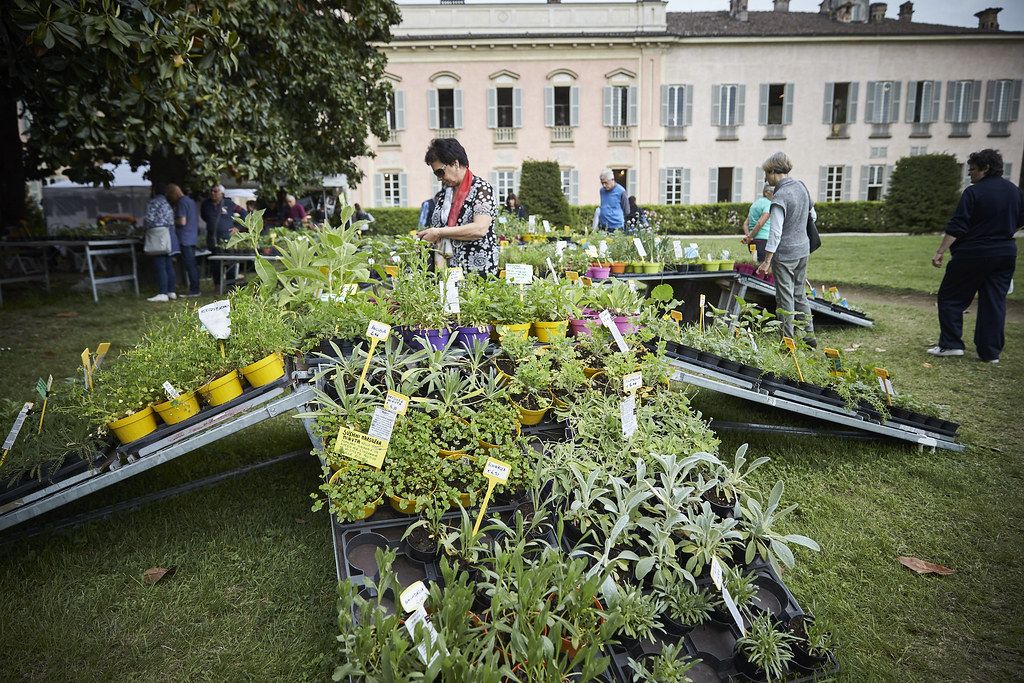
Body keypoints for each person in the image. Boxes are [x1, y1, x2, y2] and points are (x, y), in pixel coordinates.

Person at [928, 149, 1022, 363]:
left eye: (972, 170)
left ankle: (951, 344)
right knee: (994, 301)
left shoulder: (974, 192)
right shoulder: (1014, 191)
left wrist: (940, 251)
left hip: (973, 253)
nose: (969, 174)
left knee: (951, 297)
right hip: (1005, 252)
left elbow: (958, 225)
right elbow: (1020, 220)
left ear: (985, 168)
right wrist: (1004, 230)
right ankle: (990, 353)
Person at [757, 152, 817, 347]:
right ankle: (809, 336)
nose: (765, 178)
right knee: (799, 293)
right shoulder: (801, 187)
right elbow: (812, 217)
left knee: (784, 297)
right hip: (803, 249)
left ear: (774, 172)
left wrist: (766, 261)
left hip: (785, 255)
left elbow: (775, 233)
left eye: (766, 173)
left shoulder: (780, 196)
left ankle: (787, 340)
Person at [417, 137, 499, 275]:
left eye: (440, 171)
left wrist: (438, 232)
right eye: (435, 173)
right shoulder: (445, 193)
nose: (438, 178)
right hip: (449, 270)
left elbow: (479, 229)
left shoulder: (481, 189)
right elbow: (439, 226)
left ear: (455, 163)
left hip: (476, 272)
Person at [200, 184, 247, 287]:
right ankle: (217, 284)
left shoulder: (229, 203)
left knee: (230, 261)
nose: (213, 193)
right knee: (215, 262)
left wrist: (237, 228)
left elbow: (244, 213)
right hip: (213, 239)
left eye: (215, 191)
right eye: (211, 191)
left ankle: (231, 285)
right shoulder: (205, 204)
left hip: (228, 238)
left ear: (221, 193)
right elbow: (204, 216)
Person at [144, 184, 179, 303]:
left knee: (160, 264)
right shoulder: (167, 204)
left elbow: (149, 219)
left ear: (154, 190)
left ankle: (162, 293)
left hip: (157, 235)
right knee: (168, 264)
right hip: (168, 234)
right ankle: (171, 291)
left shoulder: (154, 202)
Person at [166, 184, 201, 297]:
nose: (171, 199)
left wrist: (171, 222)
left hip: (185, 238)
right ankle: (194, 288)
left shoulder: (181, 202)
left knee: (190, 265)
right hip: (192, 237)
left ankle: (195, 290)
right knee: (192, 265)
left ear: (174, 193)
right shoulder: (190, 201)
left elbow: (182, 221)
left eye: (170, 196)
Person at [742, 184, 774, 263]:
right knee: (765, 270)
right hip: (764, 242)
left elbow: (745, 224)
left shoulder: (755, 204)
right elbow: (760, 223)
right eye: (774, 192)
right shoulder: (768, 204)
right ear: (766, 193)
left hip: (752, 243)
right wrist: (750, 237)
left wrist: (749, 237)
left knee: (756, 267)